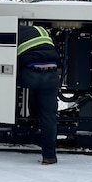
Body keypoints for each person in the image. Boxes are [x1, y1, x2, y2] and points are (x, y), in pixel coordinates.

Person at [17, 24, 61, 165]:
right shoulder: (43, 31)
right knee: (48, 116)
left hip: (30, 74)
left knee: (8, 84)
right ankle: (49, 156)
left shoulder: (14, 31)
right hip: (52, 75)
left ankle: (26, 121)